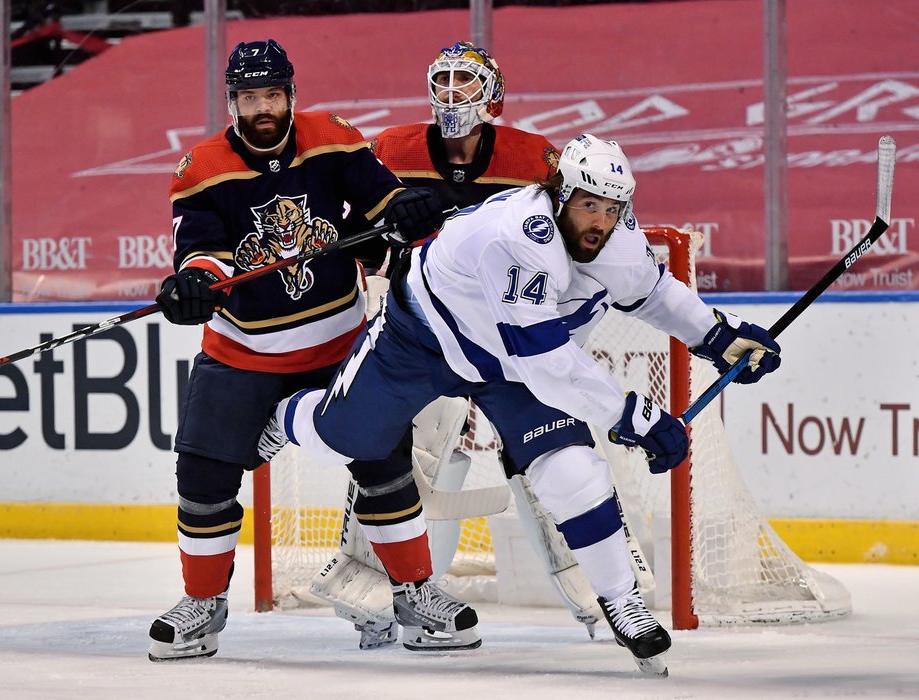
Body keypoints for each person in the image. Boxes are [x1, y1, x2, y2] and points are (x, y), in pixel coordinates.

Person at [258, 133, 782, 675]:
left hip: (506, 366)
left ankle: (623, 601)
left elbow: (652, 293)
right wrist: (635, 416)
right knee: (345, 438)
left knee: (574, 472)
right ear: (558, 196)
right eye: (586, 205)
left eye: (610, 208)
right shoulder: (519, 239)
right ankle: (283, 417)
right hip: (423, 339)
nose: (598, 221)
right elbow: (548, 364)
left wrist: (718, 338)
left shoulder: (616, 235)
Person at [147, 38, 478, 662]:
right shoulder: (201, 168)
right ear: (233, 102)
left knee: (384, 461)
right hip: (243, 352)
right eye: (249, 98)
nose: (262, 108)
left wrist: (401, 208)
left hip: (339, 345)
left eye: (272, 95)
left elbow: (379, 200)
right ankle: (203, 605)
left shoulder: (333, 138)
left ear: (291, 97)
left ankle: (415, 592)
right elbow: (201, 250)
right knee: (203, 472)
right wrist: (196, 283)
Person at [317, 41, 620, 651]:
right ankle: (378, 591)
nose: (453, 92)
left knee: (546, 449)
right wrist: (389, 240)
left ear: (494, 94)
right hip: (423, 330)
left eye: (466, 80)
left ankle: (602, 596)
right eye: (444, 79)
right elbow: (355, 234)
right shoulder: (391, 151)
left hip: (510, 336)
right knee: (409, 448)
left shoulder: (536, 157)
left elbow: (579, 237)